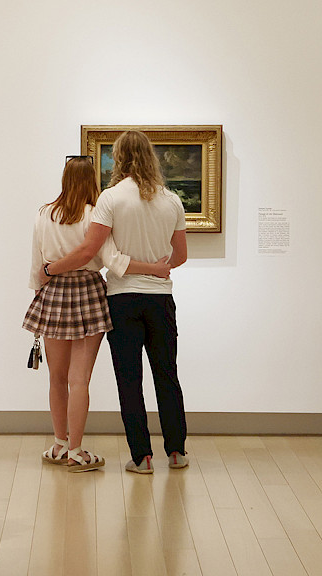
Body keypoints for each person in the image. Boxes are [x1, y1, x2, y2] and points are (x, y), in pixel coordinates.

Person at [41, 132, 188, 474]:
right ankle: (177, 451)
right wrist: (157, 267)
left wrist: (49, 271)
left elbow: (98, 253)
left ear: (119, 158)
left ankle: (142, 457)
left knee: (130, 379)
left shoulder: (110, 198)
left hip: (122, 298)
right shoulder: (172, 200)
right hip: (161, 299)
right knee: (167, 375)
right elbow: (180, 256)